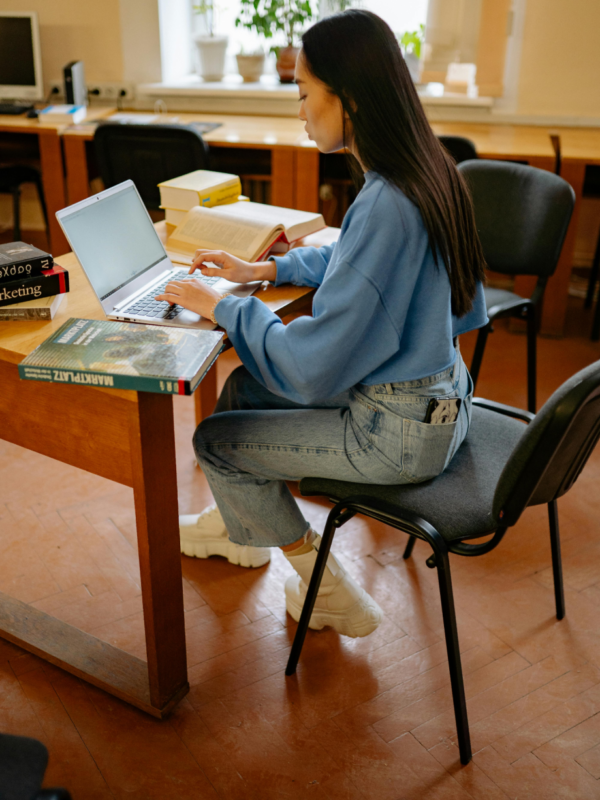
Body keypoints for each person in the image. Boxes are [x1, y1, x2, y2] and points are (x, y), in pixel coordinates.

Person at [156, 10, 487, 639]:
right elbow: (354, 259)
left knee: (215, 443)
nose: (300, 110)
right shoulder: (425, 170)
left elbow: (309, 369)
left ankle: (329, 590)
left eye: (306, 93)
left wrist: (223, 304)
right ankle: (242, 530)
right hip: (440, 398)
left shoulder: (387, 200)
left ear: (351, 100)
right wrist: (267, 270)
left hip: (395, 431)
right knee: (245, 392)